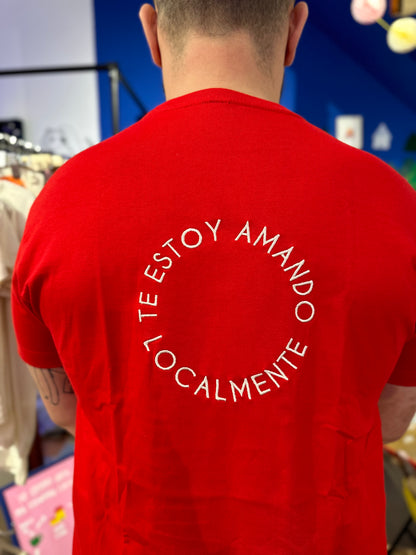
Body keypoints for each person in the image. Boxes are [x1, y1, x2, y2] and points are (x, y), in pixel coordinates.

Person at [11, 1, 416, 553]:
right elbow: (390, 418)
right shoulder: (391, 205)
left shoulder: (63, 203)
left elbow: (65, 409)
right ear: (295, 28)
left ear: (152, 32)